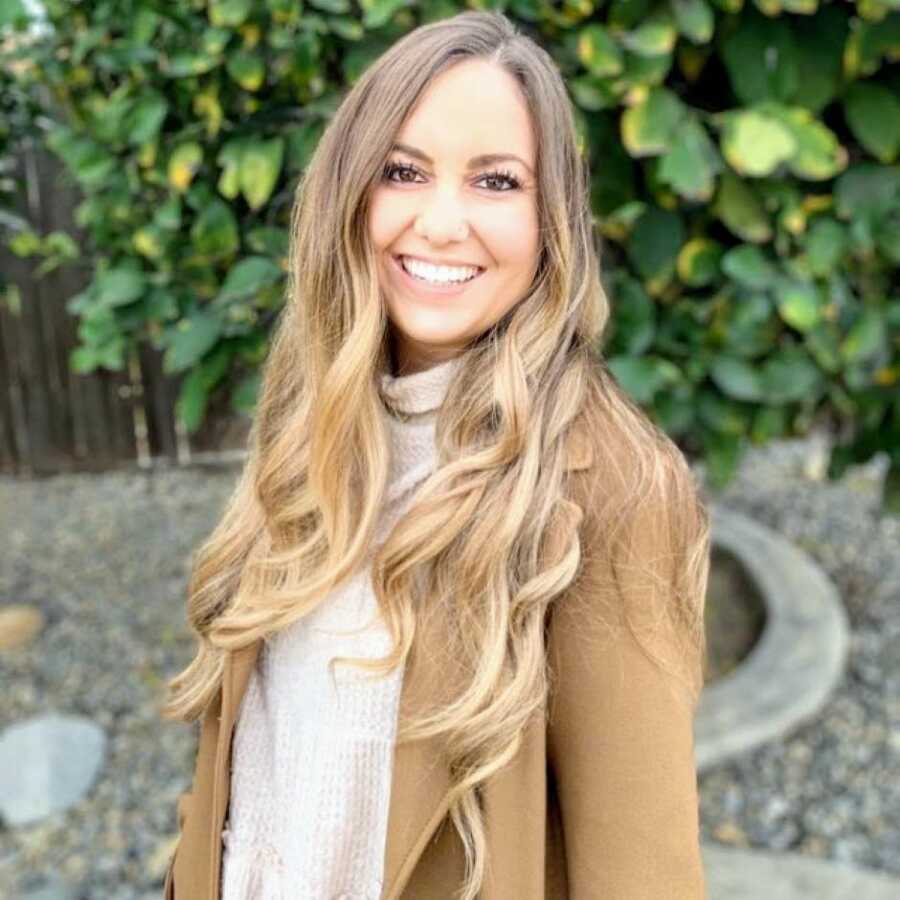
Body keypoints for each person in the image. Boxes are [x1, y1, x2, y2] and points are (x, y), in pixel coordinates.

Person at [161, 9, 710, 900]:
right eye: (404, 171)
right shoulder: (316, 421)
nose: (442, 222)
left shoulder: (613, 487)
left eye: (496, 181)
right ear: (351, 191)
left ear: (550, 221)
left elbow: (642, 874)